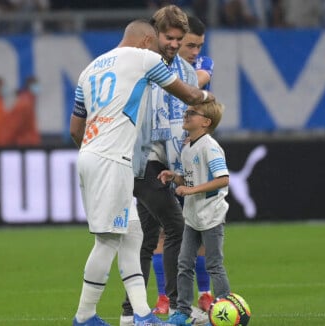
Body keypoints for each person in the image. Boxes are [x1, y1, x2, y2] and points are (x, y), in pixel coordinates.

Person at [69, 19, 213, 326]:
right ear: (148, 40)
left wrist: (95, 147)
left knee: (132, 235)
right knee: (107, 241)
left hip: (90, 155)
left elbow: (75, 128)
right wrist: (206, 98)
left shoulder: (90, 68)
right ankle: (84, 316)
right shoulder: (143, 58)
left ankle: (141, 315)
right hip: (113, 160)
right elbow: (187, 94)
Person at [120, 6, 207, 326]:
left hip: (165, 163)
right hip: (140, 160)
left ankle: (130, 313)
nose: (173, 43)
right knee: (176, 226)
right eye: (168, 37)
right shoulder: (139, 66)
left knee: (146, 236)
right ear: (154, 35)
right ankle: (175, 306)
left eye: (178, 39)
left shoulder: (183, 72)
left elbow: (186, 114)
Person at [148, 14, 216, 316]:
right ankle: (165, 296)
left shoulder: (197, 67)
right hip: (158, 154)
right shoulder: (158, 64)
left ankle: (204, 293)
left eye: (197, 46)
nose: (194, 51)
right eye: (189, 45)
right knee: (166, 228)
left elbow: (198, 83)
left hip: (188, 153)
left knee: (196, 225)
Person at [158, 101, 231, 326]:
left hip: (211, 216)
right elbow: (189, 178)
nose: (186, 115)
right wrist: (175, 177)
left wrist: (190, 190)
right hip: (193, 215)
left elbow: (223, 179)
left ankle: (224, 309)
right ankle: (182, 311)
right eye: (186, 112)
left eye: (192, 113)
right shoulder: (188, 146)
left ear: (206, 122)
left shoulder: (209, 146)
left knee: (214, 265)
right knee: (184, 263)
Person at [1, 76, 41, 147]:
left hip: (27, 141)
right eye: (36, 85)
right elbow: (15, 125)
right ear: (30, 86)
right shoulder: (25, 103)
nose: (38, 87)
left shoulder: (28, 101)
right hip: (26, 143)